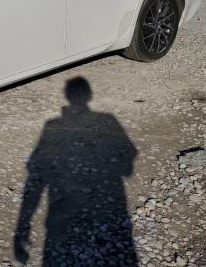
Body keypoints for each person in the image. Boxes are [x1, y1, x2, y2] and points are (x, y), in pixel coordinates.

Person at [14, 77, 138, 266]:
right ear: (89, 95)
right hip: (107, 203)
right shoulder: (106, 120)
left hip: (59, 209)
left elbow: (35, 171)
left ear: (67, 95)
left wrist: (23, 227)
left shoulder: (52, 125)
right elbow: (129, 155)